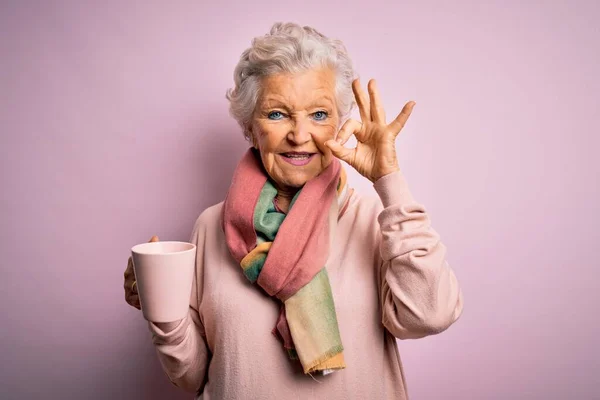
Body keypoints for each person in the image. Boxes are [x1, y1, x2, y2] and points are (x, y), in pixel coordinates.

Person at [123, 22, 463, 399]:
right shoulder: (210, 227)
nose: (300, 135)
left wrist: (390, 180)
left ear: (339, 124)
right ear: (250, 128)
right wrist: (162, 310)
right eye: (277, 114)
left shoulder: (372, 219)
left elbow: (430, 315)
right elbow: (192, 376)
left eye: (319, 115)